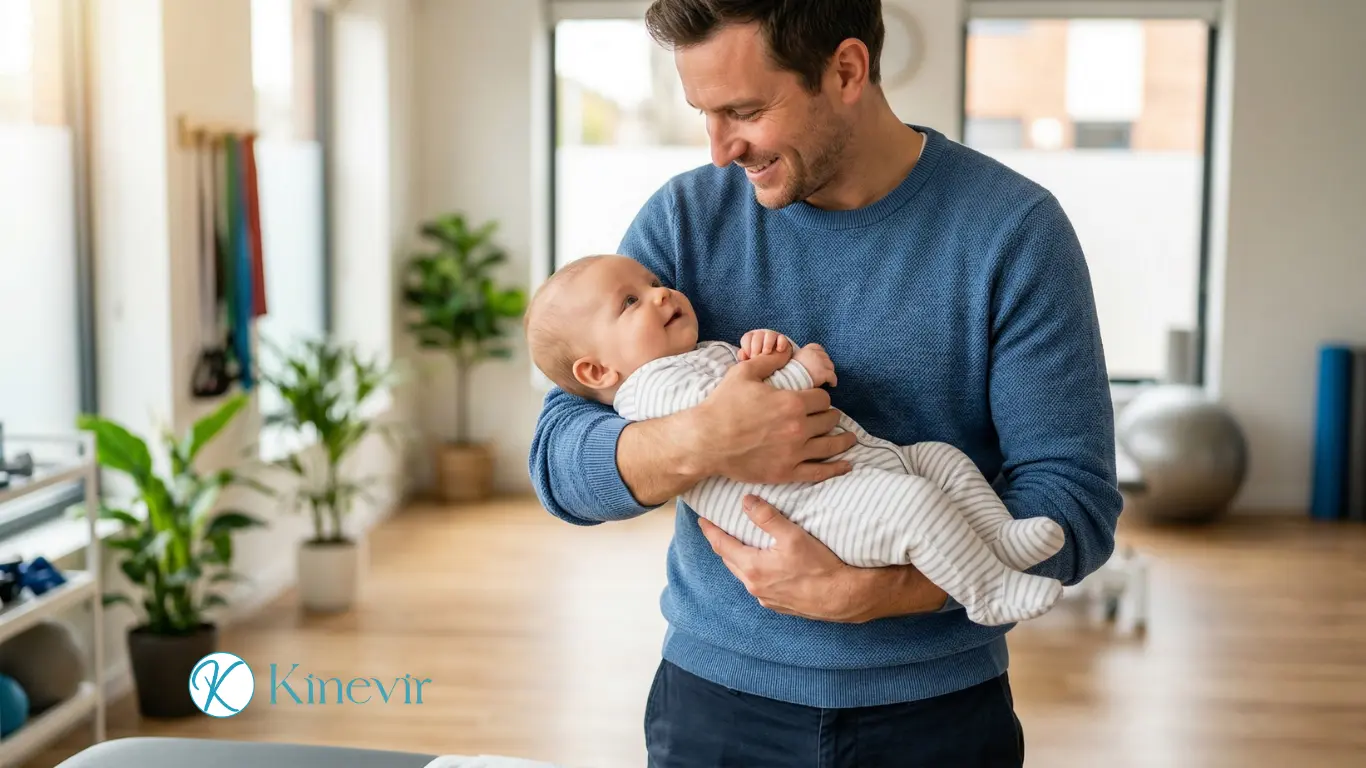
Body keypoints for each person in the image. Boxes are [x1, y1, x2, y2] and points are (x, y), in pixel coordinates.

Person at [527, 0, 1124, 764]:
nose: (719, 150)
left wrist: (902, 589)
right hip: (716, 704)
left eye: (743, 110)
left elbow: (1074, 499)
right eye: (705, 113)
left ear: (846, 70)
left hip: (933, 711)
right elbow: (559, 460)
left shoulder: (1013, 232)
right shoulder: (684, 222)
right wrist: (708, 437)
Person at [522, 253, 1069, 626]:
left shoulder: (690, 355)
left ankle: (996, 537)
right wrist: (798, 371)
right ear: (596, 373)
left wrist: (763, 351)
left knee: (941, 461)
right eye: (630, 302)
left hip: (865, 470)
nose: (659, 292)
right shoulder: (645, 393)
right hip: (818, 512)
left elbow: (737, 388)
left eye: (650, 284)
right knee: (916, 503)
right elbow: (734, 415)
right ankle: (986, 591)